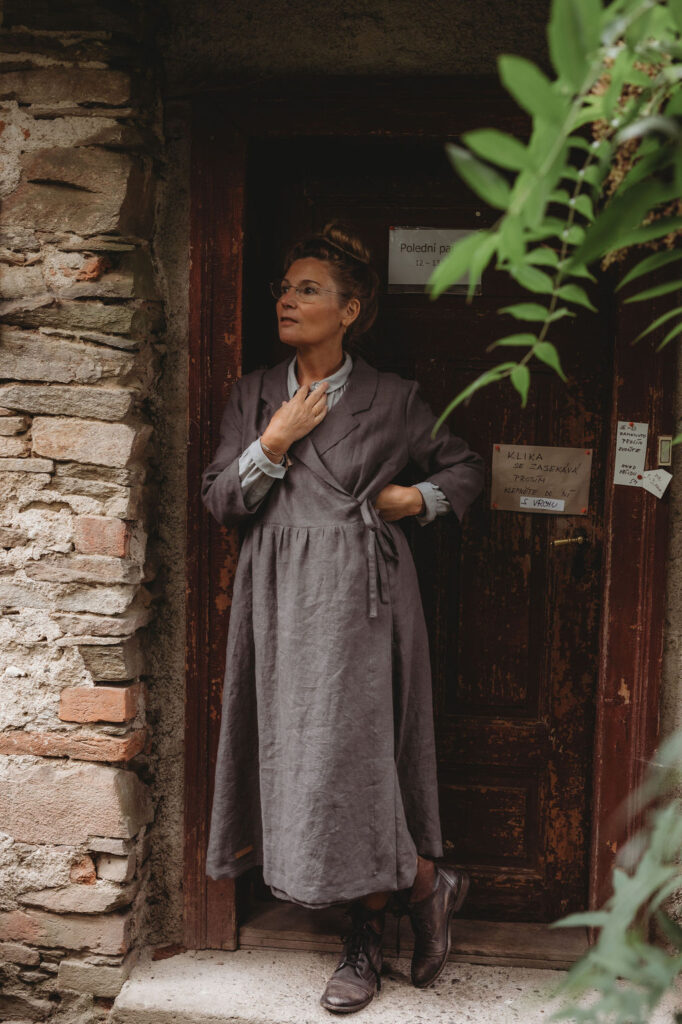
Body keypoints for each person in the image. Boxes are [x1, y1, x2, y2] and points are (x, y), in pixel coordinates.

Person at [201, 223, 484, 1014]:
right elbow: (220, 500)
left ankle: (364, 942)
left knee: (356, 759)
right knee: (297, 757)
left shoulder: (393, 398)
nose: (287, 301)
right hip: (277, 599)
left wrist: (414, 499)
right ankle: (425, 883)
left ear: (350, 310)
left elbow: (464, 467)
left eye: (308, 290)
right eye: (284, 289)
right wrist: (272, 441)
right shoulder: (255, 393)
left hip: (363, 598)